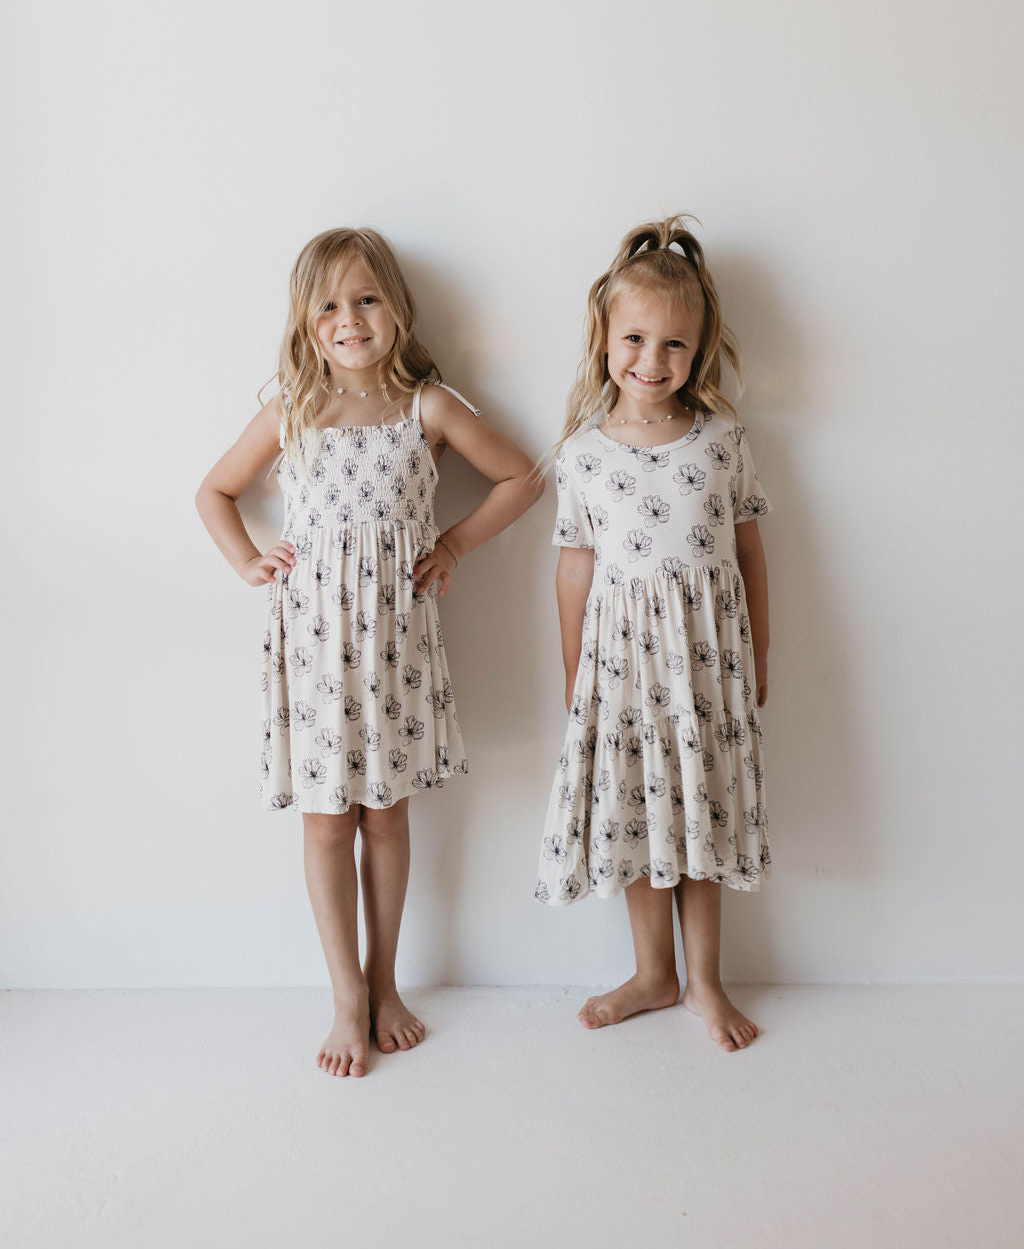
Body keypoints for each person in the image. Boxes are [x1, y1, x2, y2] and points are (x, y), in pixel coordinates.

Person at [196, 227, 541, 1076]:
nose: (349, 319)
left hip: (394, 653)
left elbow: (523, 476)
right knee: (326, 823)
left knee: (386, 816)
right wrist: (248, 559)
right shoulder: (292, 408)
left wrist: (454, 545)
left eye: (366, 299)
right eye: (329, 306)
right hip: (314, 653)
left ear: (395, 307)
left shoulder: (428, 405)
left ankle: (388, 983)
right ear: (306, 322)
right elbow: (214, 490)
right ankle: (346, 995)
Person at [536, 216, 772, 1052]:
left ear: (699, 347)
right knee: (640, 818)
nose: (651, 359)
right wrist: (576, 672)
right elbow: (574, 568)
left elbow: (747, 547)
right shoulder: (583, 454)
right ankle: (652, 973)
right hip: (622, 671)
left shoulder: (722, 441)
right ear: (604, 337)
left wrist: (762, 651)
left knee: (698, 820)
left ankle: (704, 979)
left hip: (703, 669)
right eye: (634, 337)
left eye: (674, 343)